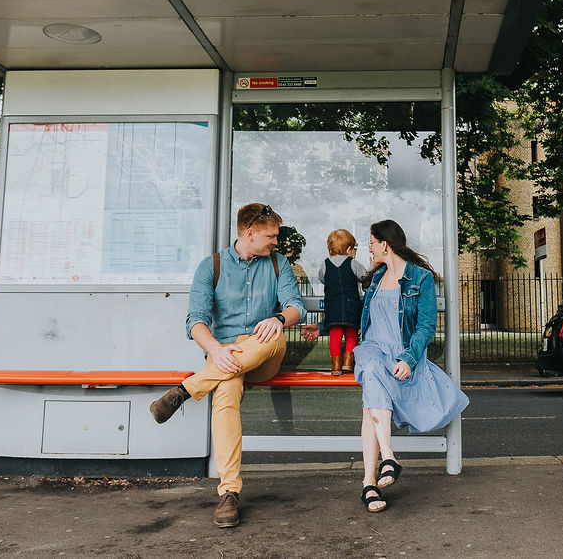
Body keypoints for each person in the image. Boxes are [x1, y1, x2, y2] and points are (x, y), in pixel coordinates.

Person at [149, 203, 305, 529]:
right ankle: (229, 492)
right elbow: (195, 322)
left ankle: (186, 390)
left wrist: (279, 319)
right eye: (271, 235)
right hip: (223, 355)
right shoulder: (212, 266)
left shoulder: (279, 263)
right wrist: (217, 351)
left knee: (273, 336)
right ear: (249, 233)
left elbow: (295, 307)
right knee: (225, 395)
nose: (276, 241)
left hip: (264, 352)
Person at [353, 219, 469, 513]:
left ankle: (369, 483)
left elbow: (427, 326)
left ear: (384, 244)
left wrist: (409, 357)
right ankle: (389, 456)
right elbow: (366, 322)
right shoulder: (376, 278)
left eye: (371, 243)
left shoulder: (421, 278)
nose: (368, 248)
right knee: (369, 368)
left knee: (371, 399)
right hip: (370, 349)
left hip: (398, 353)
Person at [301, 229, 367, 375]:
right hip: (351, 306)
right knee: (351, 335)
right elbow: (365, 277)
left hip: (333, 307)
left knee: (335, 336)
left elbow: (321, 278)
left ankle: (336, 365)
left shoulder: (325, 264)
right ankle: (348, 362)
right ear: (349, 249)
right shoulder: (353, 263)